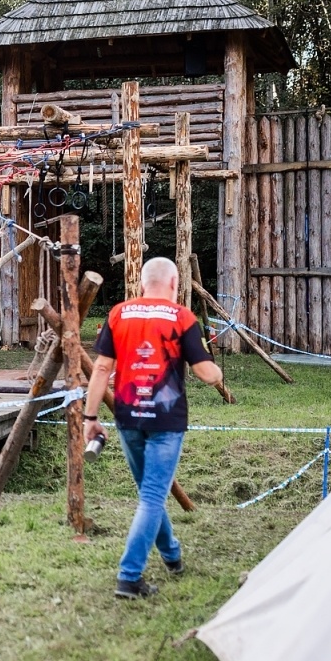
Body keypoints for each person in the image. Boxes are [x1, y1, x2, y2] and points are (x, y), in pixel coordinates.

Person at [83, 256, 225, 599]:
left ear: (142, 283)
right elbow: (206, 374)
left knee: (150, 493)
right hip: (166, 421)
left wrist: (90, 419)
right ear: (175, 283)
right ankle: (129, 577)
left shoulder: (118, 314)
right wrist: (217, 371)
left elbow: (100, 369)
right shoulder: (182, 317)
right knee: (152, 496)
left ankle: (172, 555)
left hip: (128, 416)